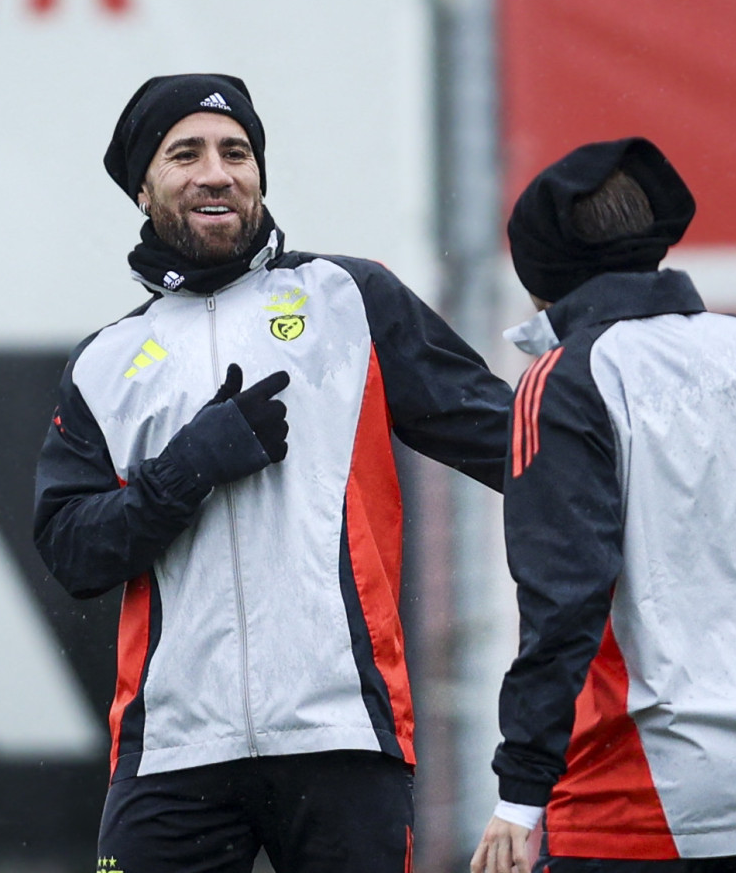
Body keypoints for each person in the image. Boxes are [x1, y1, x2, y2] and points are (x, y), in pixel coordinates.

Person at [33, 73, 513, 872]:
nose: (217, 172)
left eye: (237, 152)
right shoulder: (105, 362)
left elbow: (508, 441)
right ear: (143, 187)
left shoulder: (350, 298)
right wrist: (185, 469)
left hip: (342, 732)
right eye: (185, 153)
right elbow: (73, 554)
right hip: (173, 749)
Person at [473, 138, 736, 873]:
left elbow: (563, 600)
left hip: (637, 801)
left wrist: (520, 790)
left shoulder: (563, 379)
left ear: (542, 277)